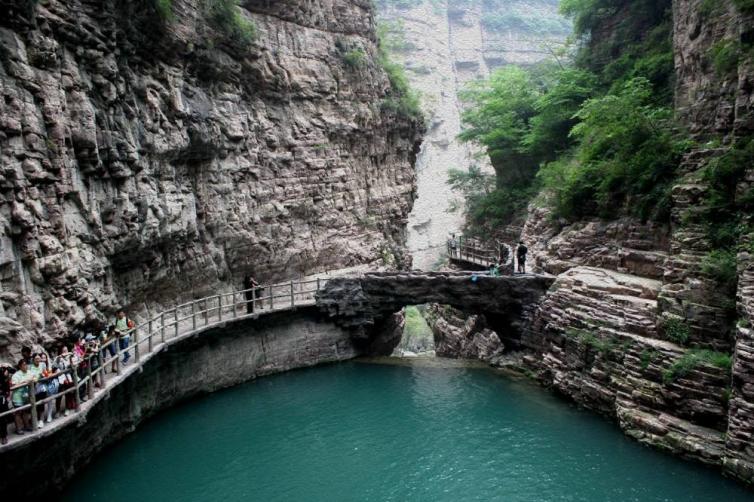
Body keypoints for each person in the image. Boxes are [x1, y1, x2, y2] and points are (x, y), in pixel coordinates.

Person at [11, 359, 33, 434]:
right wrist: (23, 382)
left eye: (26, 364)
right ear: (20, 366)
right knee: (18, 413)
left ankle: (26, 426)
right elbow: (14, 386)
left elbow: (33, 378)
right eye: (23, 365)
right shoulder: (16, 375)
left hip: (26, 396)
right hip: (18, 396)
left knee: (25, 411)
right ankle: (19, 428)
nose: (25, 366)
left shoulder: (29, 372)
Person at [0, 366, 11, 444]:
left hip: (1, 398)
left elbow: (6, 386)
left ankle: (4, 435)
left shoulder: (2, 370)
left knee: (2, 418)